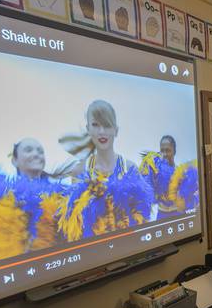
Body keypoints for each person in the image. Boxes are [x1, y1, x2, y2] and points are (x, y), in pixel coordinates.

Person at [57, 100, 153, 241]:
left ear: (116, 130)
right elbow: (75, 223)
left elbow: (143, 215)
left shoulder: (130, 168)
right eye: (96, 125)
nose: (102, 131)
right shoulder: (80, 170)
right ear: (88, 128)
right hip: (94, 251)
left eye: (107, 125)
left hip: (128, 247)